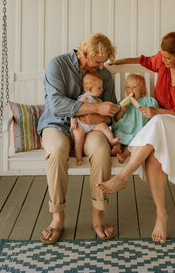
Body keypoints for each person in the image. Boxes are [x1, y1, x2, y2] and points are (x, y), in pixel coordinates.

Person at [97, 31, 175, 243]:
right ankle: (161, 215)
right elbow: (145, 60)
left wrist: (158, 112)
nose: (163, 60)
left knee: (158, 121)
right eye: (163, 56)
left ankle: (123, 175)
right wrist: (119, 62)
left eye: (168, 58)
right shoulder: (162, 60)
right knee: (152, 155)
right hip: (163, 126)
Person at [37, 33, 119, 244]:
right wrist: (95, 107)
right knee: (56, 151)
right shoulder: (58, 65)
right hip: (57, 124)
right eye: (98, 62)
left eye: (103, 62)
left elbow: (112, 111)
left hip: (91, 128)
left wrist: (100, 116)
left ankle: (98, 214)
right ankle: (57, 217)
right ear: (85, 54)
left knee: (101, 150)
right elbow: (57, 105)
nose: (101, 67)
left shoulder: (104, 75)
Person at [71, 72, 120, 166]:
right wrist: (73, 122)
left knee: (103, 126)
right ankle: (79, 158)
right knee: (79, 140)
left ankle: (111, 140)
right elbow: (74, 110)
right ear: (90, 89)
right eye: (99, 88)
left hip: (93, 125)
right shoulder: (84, 98)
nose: (102, 89)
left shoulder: (99, 100)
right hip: (81, 124)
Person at [112, 73, 158, 163]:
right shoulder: (122, 103)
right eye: (128, 87)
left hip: (139, 130)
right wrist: (122, 110)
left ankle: (124, 154)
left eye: (134, 87)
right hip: (124, 128)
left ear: (143, 89)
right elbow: (117, 119)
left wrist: (147, 110)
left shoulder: (148, 101)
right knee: (117, 133)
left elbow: (155, 115)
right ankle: (117, 147)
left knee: (137, 139)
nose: (131, 90)